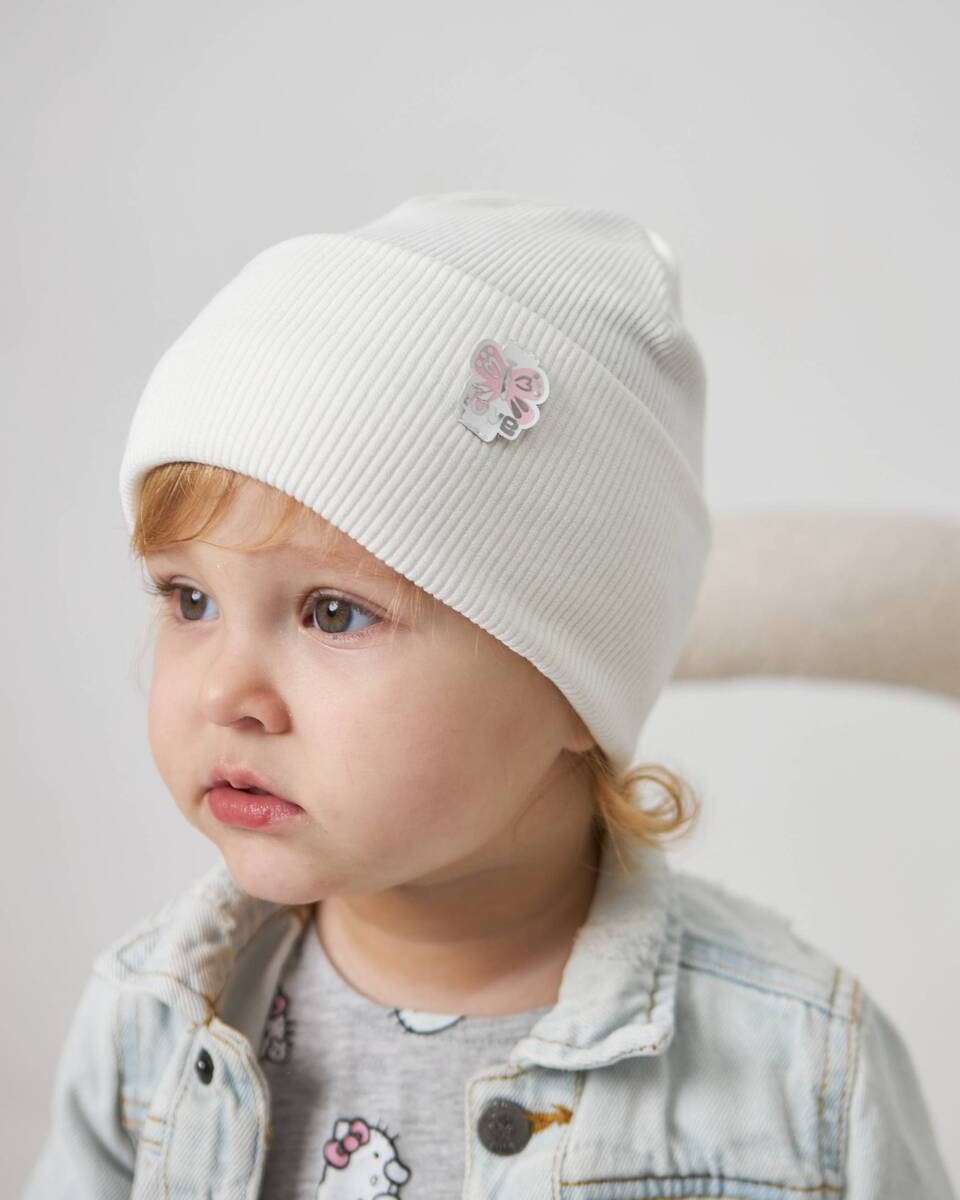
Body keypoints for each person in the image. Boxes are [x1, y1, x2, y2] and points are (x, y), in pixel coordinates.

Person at [20, 192, 955, 1200]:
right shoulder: (147, 1024)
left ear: (572, 683)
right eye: (188, 599)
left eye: (334, 613)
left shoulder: (800, 1077)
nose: (225, 692)